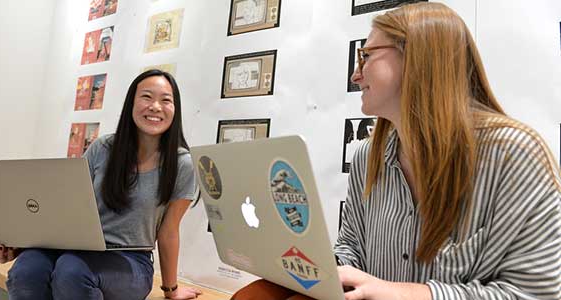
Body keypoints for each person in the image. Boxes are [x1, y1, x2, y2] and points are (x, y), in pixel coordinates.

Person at [232, 2, 561, 300]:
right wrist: (314, 268)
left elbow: (532, 294)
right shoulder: (366, 156)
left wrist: (402, 292)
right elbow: (352, 249)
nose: (355, 74)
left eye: (367, 56)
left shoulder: (515, 155)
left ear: (419, 56)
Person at [0, 69, 203, 300]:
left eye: (166, 100)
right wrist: (14, 247)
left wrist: (171, 290)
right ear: (131, 104)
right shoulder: (103, 148)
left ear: (175, 109)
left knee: (72, 272)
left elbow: (169, 232)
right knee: (27, 271)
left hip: (130, 259)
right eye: (146, 97)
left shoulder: (182, 164)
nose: (156, 106)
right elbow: (67, 210)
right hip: (74, 249)